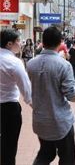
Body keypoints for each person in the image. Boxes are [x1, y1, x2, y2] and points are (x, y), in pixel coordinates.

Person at [26, 26, 75, 165]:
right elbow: (72, 95)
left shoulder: (30, 64)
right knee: (67, 159)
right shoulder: (63, 65)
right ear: (60, 43)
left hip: (40, 121)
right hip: (60, 122)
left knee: (45, 154)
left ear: (43, 42)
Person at [0, 29, 32, 165]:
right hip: (9, 108)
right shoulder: (14, 62)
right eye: (18, 41)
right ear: (9, 44)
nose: (21, 44)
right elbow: (26, 89)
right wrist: (34, 106)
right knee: (9, 145)